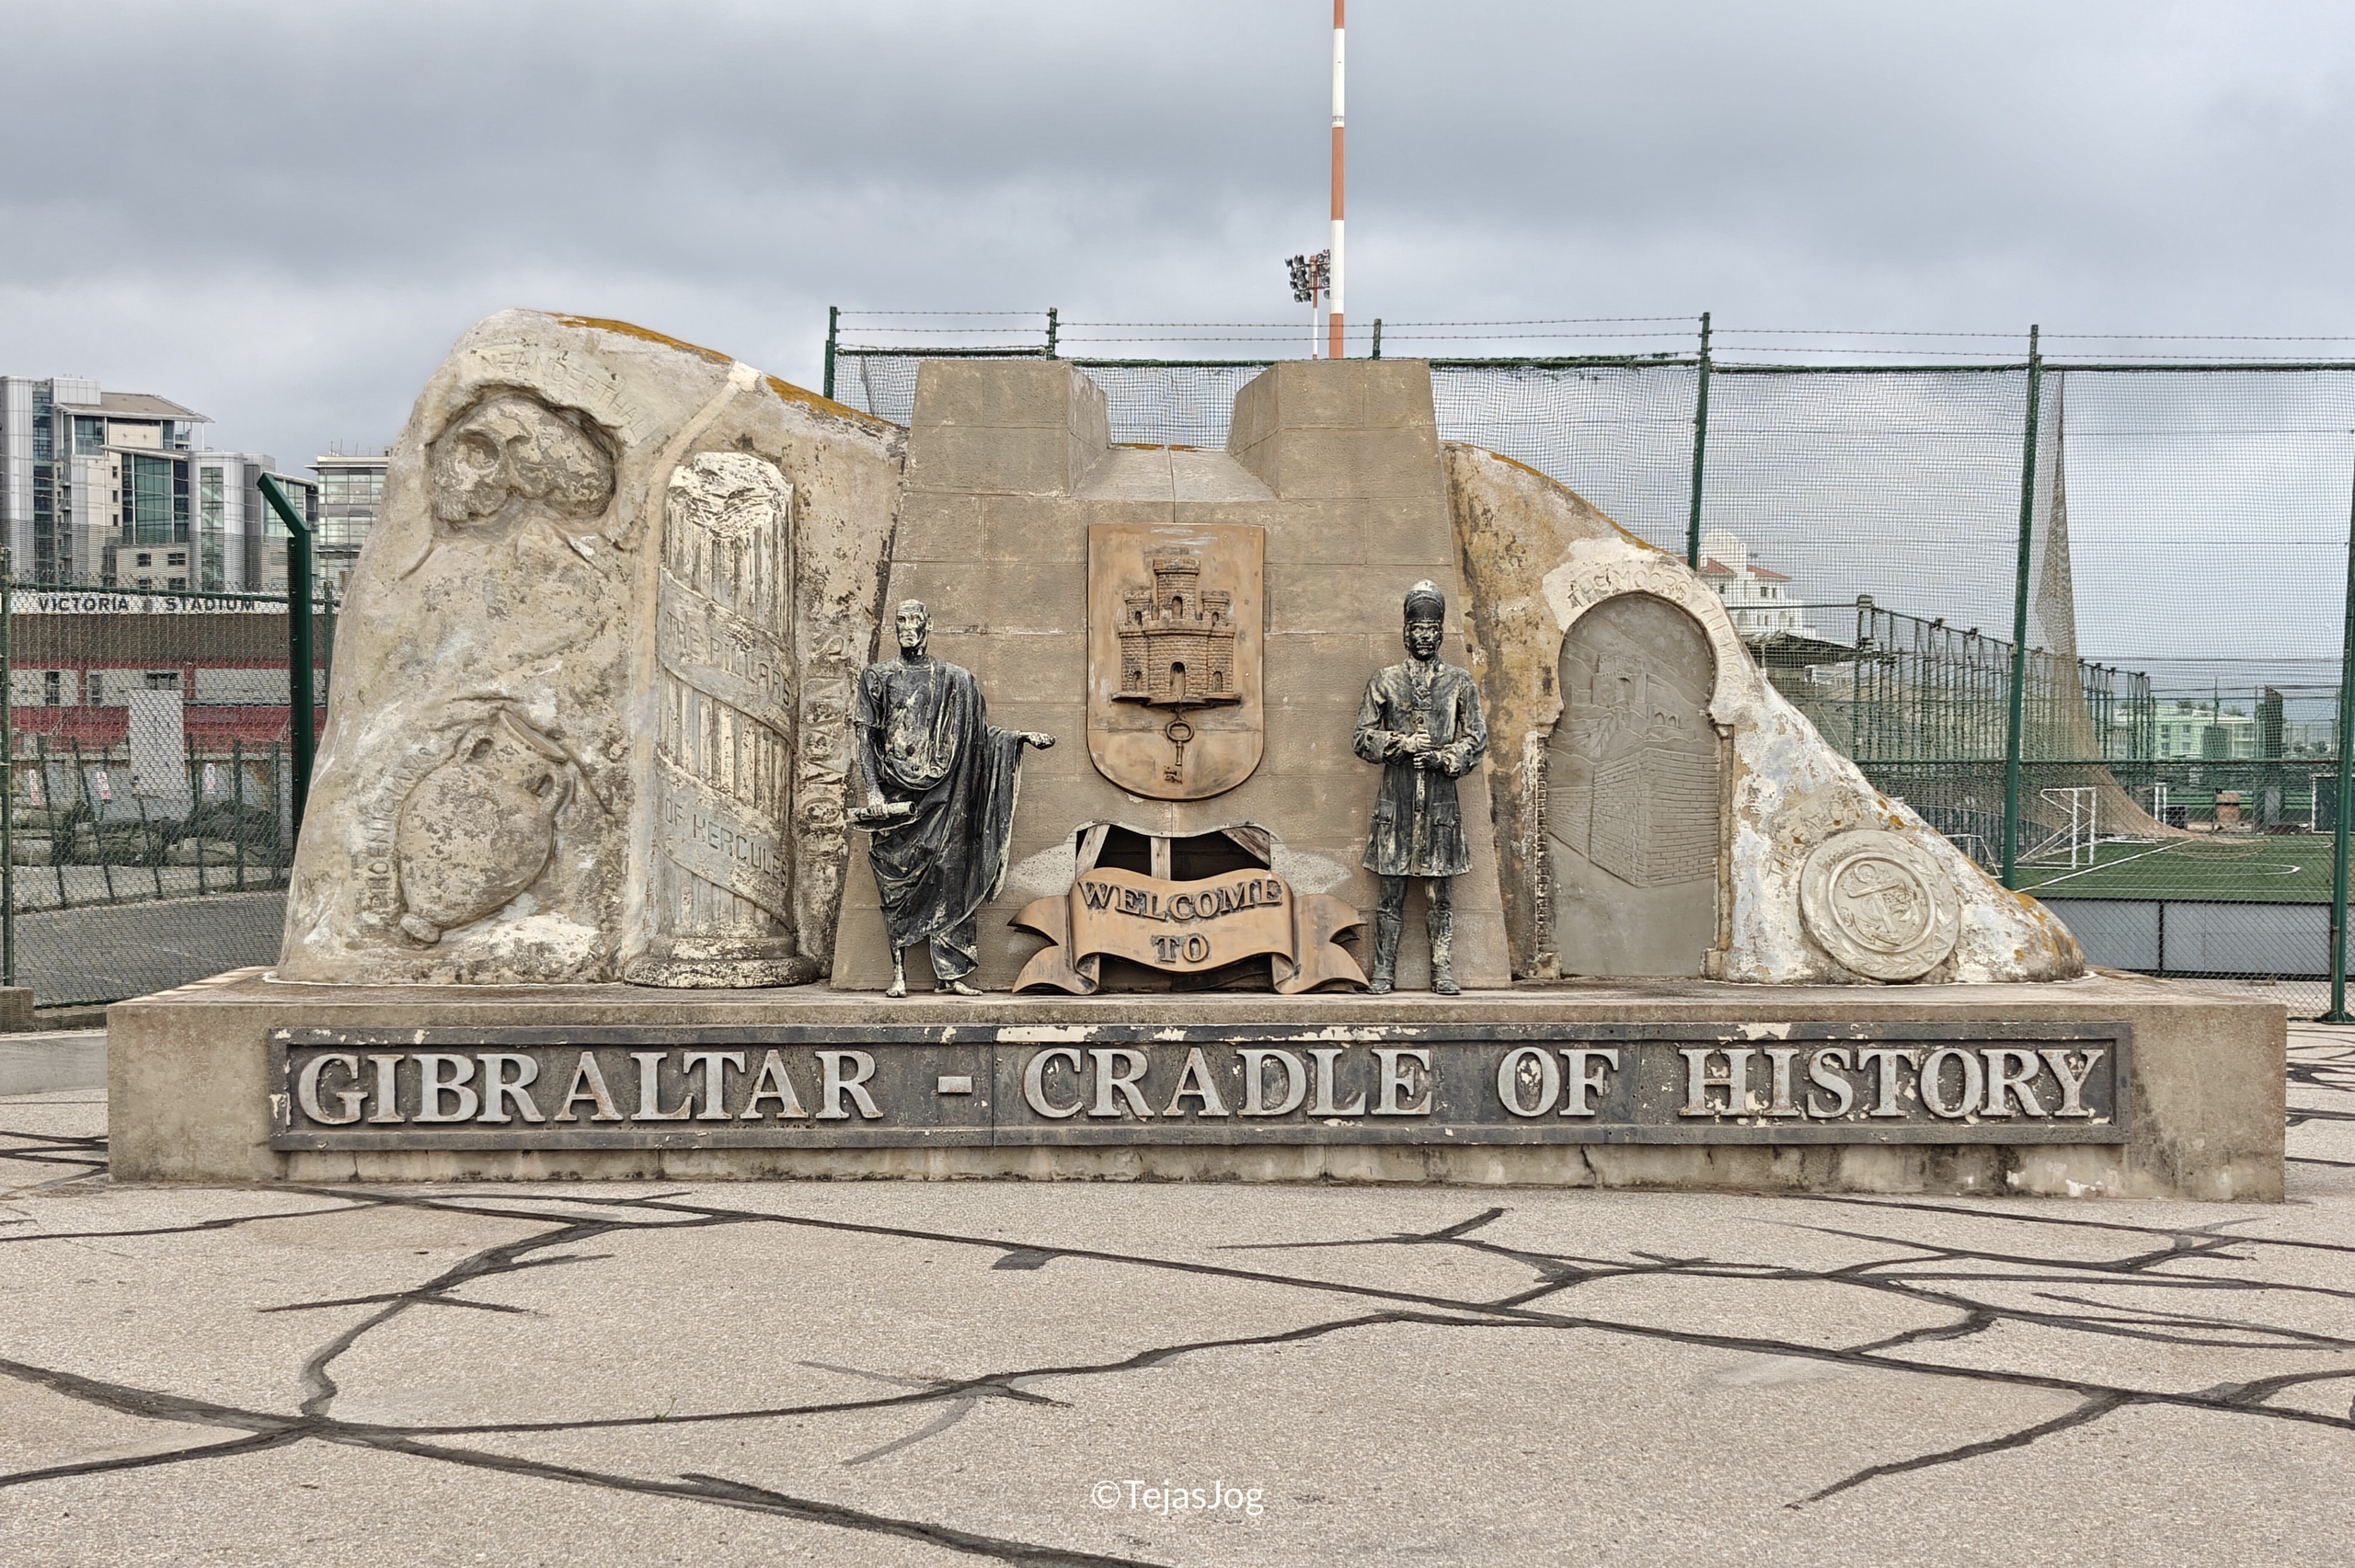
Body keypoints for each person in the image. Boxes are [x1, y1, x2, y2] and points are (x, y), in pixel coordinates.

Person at [854, 601, 1053, 996]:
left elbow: (978, 737)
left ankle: (951, 973)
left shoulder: (956, 681)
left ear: (928, 625)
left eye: (914, 621)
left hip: (945, 797)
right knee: (895, 885)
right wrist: (874, 790)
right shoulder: (877, 677)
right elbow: (865, 735)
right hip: (897, 800)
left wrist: (1018, 739)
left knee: (952, 878)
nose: (907, 628)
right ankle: (899, 973)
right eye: (900, 622)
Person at [1351, 580, 1488, 994]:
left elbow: (1476, 738)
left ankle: (1442, 968)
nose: (1425, 636)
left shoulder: (1460, 683)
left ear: (1441, 632)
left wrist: (1443, 757)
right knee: (1390, 894)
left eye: (1432, 628)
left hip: (1442, 806)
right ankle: (1384, 969)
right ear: (1406, 633)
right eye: (1417, 629)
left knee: (1439, 895)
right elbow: (1361, 737)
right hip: (1397, 803)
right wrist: (1400, 743)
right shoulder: (1386, 680)